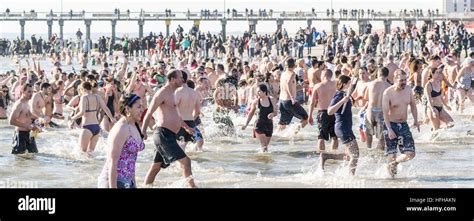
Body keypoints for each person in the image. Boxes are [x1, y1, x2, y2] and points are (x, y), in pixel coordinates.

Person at [142, 70, 196, 188]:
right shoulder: (162, 93)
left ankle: (146, 186)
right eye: (180, 77)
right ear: (172, 79)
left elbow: (177, 116)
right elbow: (149, 113)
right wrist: (143, 132)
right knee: (186, 162)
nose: (183, 80)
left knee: (156, 167)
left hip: (169, 135)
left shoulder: (174, 93)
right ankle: (192, 187)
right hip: (163, 134)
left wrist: (187, 128)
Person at [98, 94, 144, 188]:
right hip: (113, 182)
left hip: (128, 181)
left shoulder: (134, 126)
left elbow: (131, 160)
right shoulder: (121, 129)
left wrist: (134, 184)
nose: (142, 110)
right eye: (139, 107)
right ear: (128, 109)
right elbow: (112, 162)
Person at [382, 70, 419, 178]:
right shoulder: (387, 93)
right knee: (391, 154)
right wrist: (389, 129)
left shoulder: (408, 90)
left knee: (411, 153)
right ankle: (392, 180)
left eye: (405, 80)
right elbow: (384, 113)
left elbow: (413, 105)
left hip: (403, 125)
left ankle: (394, 163)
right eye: (401, 80)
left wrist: (416, 120)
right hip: (391, 125)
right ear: (395, 80)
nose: (404, 82)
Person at [320, 75, 359, 175]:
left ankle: (326, 156)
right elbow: (329, 111)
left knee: (349, 155)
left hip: (345, 127)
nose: (351, 85)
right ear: (345, 84)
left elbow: (353, 86)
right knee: (355, 155)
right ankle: (351, 179)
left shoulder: (345, 94)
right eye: (349, 83)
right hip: (343, 128)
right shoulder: (339, 95)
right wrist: (342, 101)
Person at [69, 82, 115, 153]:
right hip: (96, 127)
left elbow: (82, 112)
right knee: (91, 154)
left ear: (82, 89)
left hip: (87, 127)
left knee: (81, 153)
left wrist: (72, 118)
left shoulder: (84, 97)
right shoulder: (97, 97)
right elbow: (105, 108)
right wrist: (112, 118)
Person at [308, 69, 338, 152]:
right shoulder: (336, 84)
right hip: (334, 111)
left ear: (324, 75)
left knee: (321, 137)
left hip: (323, 113)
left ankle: (322, 156)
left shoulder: (318, 86)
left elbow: (312, 103)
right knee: (334, 137)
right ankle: (333, 155)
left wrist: (309, 116)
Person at [242, 84, 278, 152]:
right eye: (257, 91)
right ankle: (263, 160)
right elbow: (251, 113)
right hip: (259, 125)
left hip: (269, 125)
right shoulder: (255, 102)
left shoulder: (272, 100)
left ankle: (260, 159)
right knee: (264, 147)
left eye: (259, 91)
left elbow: (276, 112)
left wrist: (272, 114)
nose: (257, 93)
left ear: (264, 92)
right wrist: (246, 124)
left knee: (265, 147)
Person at [364, 67, 391, 150]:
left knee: (369, 133)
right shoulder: (389, 87)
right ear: (387, 75)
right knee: (381, 138)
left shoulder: (370, 84)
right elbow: (390, 103)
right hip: (381, 112)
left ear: (378, 74)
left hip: (370, 111)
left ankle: (369, 150)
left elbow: (365, 97)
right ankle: (379, 157)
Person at [278, 58, 309, 130]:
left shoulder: (283, 74)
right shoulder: (292, 74)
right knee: (306, 118)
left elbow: (287, 86)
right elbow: (288, 83)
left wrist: (300, 88)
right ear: (294, 65)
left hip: (282, 101)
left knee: (283, 123)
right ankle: (293, 133)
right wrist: (292, 97)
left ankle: (277, 137)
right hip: (289, 101)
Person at [175, 72, 203, 151]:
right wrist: (192, 121)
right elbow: (197, 112)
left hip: (179, 123)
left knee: (179, 148)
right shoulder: (194, 93)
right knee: (199, 144)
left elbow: (173, 109)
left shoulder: (178, 91)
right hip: (191, 123)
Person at [9, 84, 39, 154]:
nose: (31, 94)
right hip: (20, 134)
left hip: (29, 134)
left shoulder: (27, 102)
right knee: (20, 158)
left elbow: (28, 115)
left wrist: (39, 120)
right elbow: (11, 121)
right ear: (23, 91)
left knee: (34, 155)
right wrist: (27, 126)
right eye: (29, 92)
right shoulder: (19, 104)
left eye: (32, 92)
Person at [425, 65, 454, 130]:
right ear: (432, 74)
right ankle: (431, 135)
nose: (439, 75)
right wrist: (432, 110)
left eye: (439, 72)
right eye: (437, 73)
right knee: (436, 130)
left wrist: (446, 106)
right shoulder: (428, 85)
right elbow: (429, 100)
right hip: (433, 108)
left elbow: (441, 96)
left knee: (451, 123)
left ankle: (437, 128)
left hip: (440, 108)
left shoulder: (439, 82)